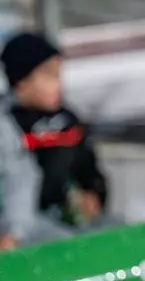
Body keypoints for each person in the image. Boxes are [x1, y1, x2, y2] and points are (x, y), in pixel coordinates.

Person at [1, 32, 108, 230]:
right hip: (22, 224)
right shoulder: (8, 123)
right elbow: (17, 179)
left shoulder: (66, 120)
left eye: (59, 75)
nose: (58, 84)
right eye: (48, 76)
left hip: (68, 217)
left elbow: (87, 165)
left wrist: (93, 194)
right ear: (22, 81)